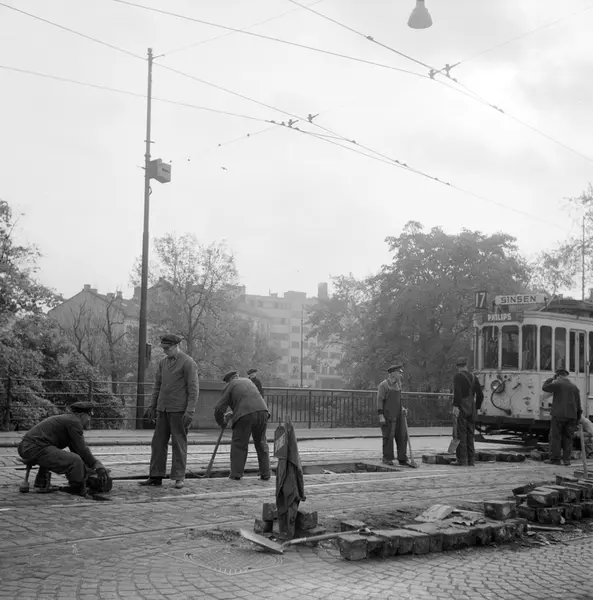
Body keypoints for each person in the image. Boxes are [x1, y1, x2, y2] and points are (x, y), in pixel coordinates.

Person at [140, 334, 199, 489]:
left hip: (179, 410)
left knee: (179, 444)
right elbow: (157, 385)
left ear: (175, 346)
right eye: (163, 348)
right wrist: (152, 406)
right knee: (158, 443)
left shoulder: (188, 363)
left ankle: (179, 477)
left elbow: (193, 389)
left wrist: (190, 411)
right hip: (163, 409)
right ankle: (155, 475)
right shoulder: (163, 363)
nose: (165, 351)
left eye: (167, 348)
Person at [17, 401, 108, 496]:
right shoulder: (74, 422)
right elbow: (82, 449)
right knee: (75, 460)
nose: (89, 419)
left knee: (59, 454)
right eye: (89, 416)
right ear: (82, 415)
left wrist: (90, 469)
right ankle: (77, 487)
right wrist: (96, 464)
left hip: (27, 446)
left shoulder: (68, 419)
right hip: (35, 447)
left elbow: (78, 450)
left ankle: (41, 482)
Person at [214, 370, 271, 481]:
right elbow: (249, 401)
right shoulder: (248, 381)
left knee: (239, 444)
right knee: (261, 443)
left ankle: (236, 474)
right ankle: (266, 473)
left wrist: (222, 422)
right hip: (263, 412)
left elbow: (219, 408)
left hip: (245, 415)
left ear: (229, 380)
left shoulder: (230, 385)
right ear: (237, 376)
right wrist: (234, 413)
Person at [542, 368, 582, 466]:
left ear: (558, 376)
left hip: (559, 415)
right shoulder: (574, 387)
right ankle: (566, 460)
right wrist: (578, 418)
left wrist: (551, 379)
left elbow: (545, 387)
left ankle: (555, 459)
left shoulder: (558, 384)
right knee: (568, 438)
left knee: (556, 437)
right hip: (572, 416)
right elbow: (578, 405)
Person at [451, 357, 484, 467]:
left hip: (462, 407)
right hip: (472, 408)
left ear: (457, 366)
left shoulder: (458, 376)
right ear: (466, 365)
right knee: (470, 434)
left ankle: (462, 460)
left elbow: (458, 393)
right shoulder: (474, 377)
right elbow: (480, 395)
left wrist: (455, 406)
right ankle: (471, 460)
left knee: (460, 434)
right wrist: (477, 407)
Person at [376, 363, 411, 467]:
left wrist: (402, 408)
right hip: (388, 414)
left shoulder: (398, 384)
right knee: (388, 436)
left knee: (402, 436)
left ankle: (402, 458)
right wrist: (381, 415)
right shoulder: (383, 385)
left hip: (399, 414)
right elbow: (379, 400)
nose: (401, 375)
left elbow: (398, 400)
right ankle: (387, 458)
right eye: (399, 373)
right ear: (393, 373)